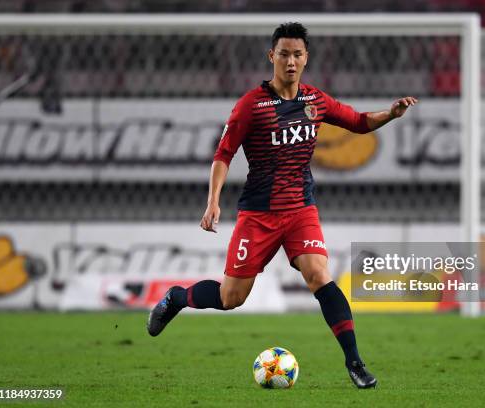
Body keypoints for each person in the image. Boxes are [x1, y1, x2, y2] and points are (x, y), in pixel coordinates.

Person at [147, 22, 418, 389]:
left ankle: (355, 362)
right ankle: (177, 298)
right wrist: (213, 201)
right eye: (284, 54)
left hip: (300, 209)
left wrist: (390, 114)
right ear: (271, 56)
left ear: (306, 58)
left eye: (298, 54)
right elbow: (223, 155)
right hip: (258, 214)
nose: (291, 61)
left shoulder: (315, 101)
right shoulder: (251, 106)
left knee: (319, 275)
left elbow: (356, 122)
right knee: (231, 298)